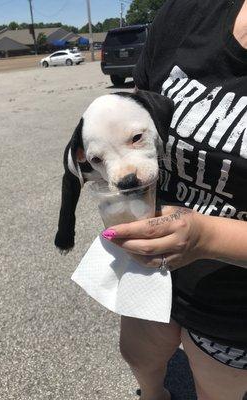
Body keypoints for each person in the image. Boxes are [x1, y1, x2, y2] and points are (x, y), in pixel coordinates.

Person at [101, 0, 247, 399]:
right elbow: (140, 115)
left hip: (232, 304)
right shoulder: (186, 10)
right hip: (151, 269)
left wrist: (204, 236)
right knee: (138, 356)